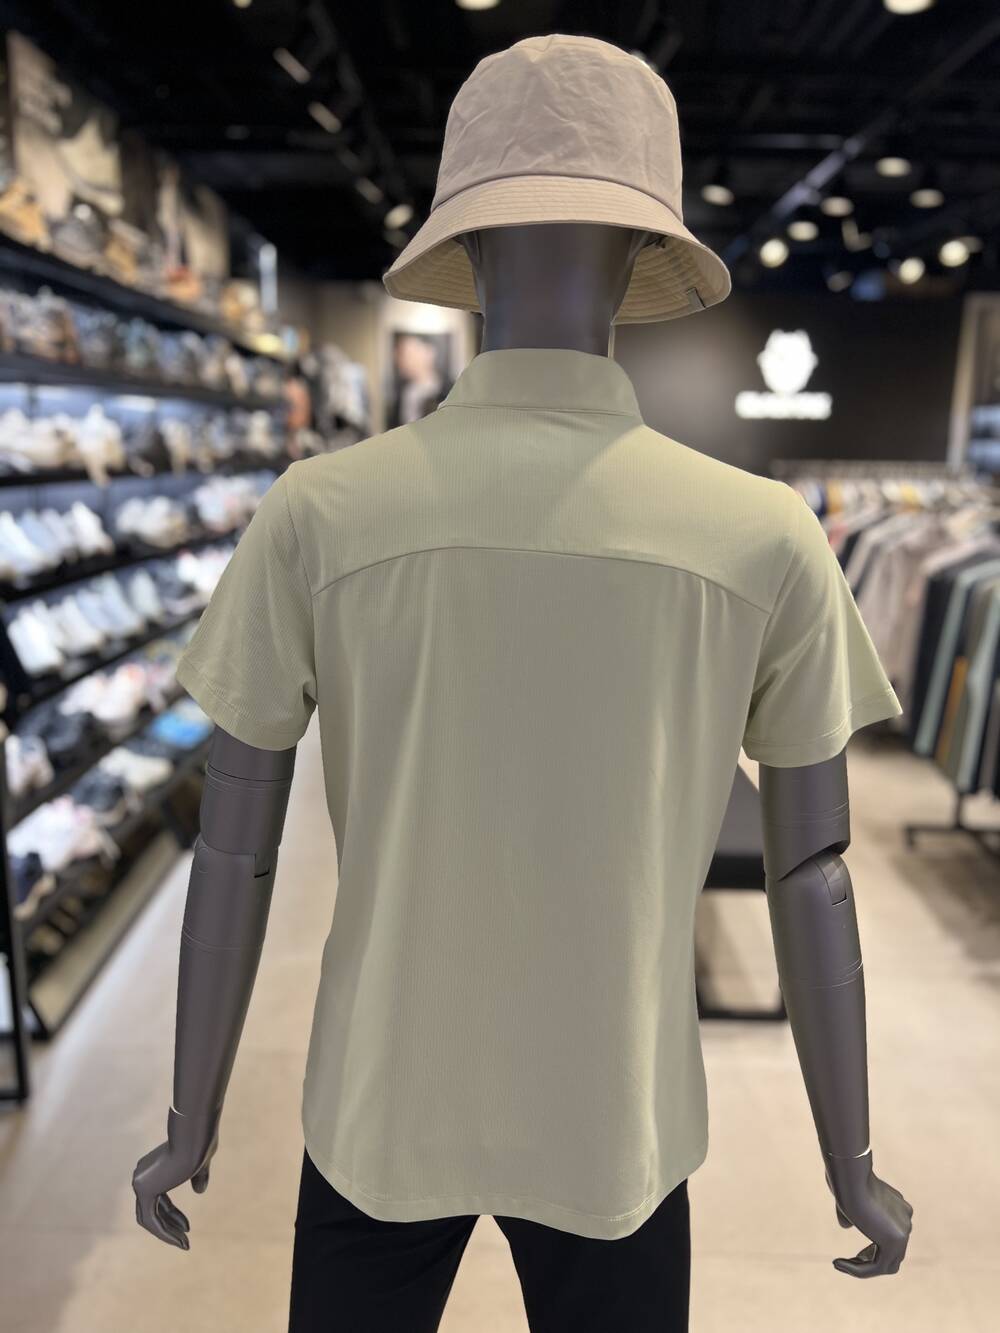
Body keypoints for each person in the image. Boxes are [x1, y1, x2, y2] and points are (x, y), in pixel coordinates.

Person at [132, 35, 912, 1332]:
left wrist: (188, 1116)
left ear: (468, 249)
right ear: (642, 253)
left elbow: (234, 845)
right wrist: (854, 1161)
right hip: (615, 1117)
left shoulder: (321, 512)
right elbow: (813, 868)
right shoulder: (763, 537)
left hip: (381, 1103)